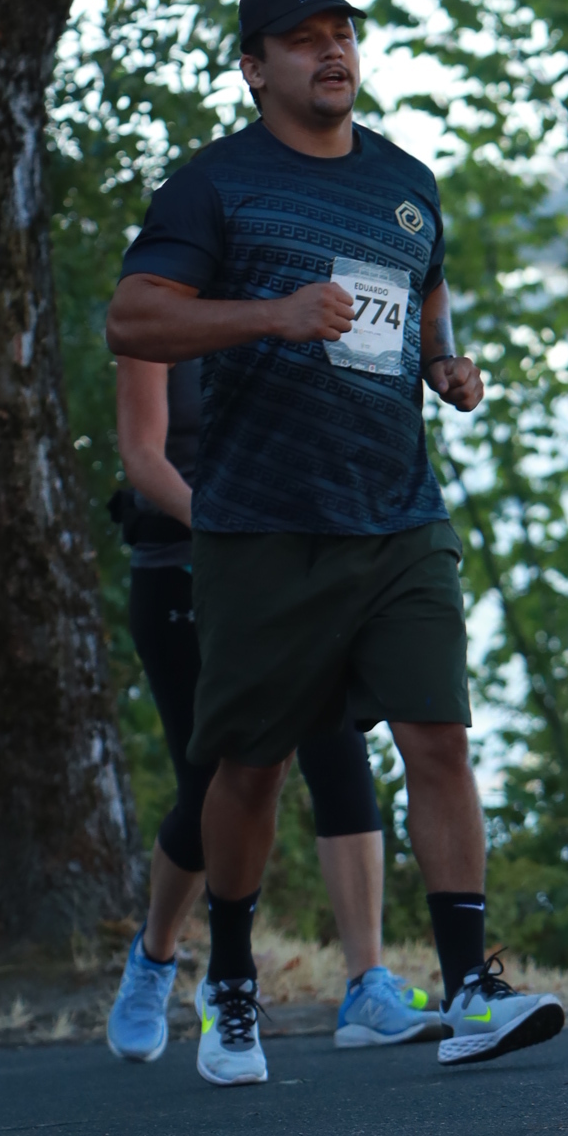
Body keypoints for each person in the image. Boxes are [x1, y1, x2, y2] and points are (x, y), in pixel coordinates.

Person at [104, 0, 564, 1086]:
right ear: (253, 67)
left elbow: (426, 291)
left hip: (398, 512)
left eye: (342, 34)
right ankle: (228, 978)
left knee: (438, 740)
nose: (331, 53)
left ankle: (469, 984)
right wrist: (271, 313)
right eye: (301, 39)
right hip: (264, 526)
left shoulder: (404, 182)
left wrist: (444, 364)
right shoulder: (212, 185)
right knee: (248, 769)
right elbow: (132, 316)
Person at [104, 347, 440, 1058]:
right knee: (211, 785)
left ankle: (366, 984)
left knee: (339, 754)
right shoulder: (156, 315)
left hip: (306, 568)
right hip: (185, 572)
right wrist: (229, 529)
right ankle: (156, 956)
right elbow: (142, 457)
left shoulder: (293, 302)